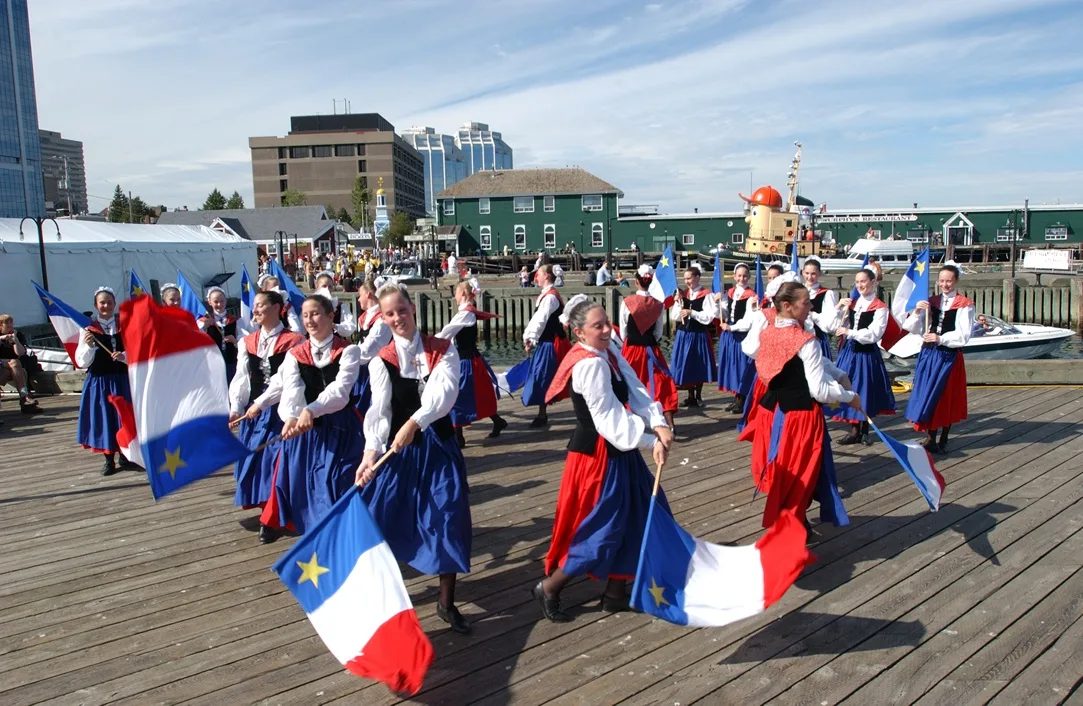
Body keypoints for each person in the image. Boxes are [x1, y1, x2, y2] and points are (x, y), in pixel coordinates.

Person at [533, 295, 672, 622]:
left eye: (607, 322)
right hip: (598, 457)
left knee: (637, 515)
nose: (608, 329)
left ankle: (614, 593)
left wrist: (659, 421)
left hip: (617, 453)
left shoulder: (607, 353)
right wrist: (651, 439)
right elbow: (609, 420)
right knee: (601, 527)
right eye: (598, 326)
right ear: (579, 333)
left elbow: (636, 389)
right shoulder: (589, 364)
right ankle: (550, 587)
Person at [356, 283, 473, 635]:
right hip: (400, 452)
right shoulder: (382, 360)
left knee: (448, 517)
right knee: (383, 520)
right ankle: (385, 603)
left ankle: (446, 601)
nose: (397, 318)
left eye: (401, 311)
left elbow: (443, 395)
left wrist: (414, 422)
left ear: (413, 310)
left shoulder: (443, 349)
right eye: (389, 314)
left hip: (437, 445)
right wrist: (369, 454)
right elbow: (378, 413)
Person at [739, 281, 857, 530]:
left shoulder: (768, 333)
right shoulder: (805, 340)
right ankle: (793, 528)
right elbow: (819, 390)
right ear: (787, 306)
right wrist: (848, 396)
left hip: (776, 413)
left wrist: (836, 372)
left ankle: (794, 522)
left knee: (786, 473)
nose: (811, 306)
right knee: (802, 474)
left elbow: (788, 358)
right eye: (806, 302)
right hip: (802, 417)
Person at [260, 295, 363, 536]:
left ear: (330, 316)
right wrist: (290, 417)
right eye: (305, 315)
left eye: (316, 314)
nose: (310, 320)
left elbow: (340, 390)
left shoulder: (348, 351)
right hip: (307, 430)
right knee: (302, 482)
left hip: (340, 427)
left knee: (337, 481)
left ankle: (342, 535)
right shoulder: (295, 354)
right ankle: (316, 535)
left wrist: (311, 409)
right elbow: (291, 389)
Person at [228, 290, 305, 543]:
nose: (256, 310)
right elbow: (241, 376)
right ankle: (266, 510)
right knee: (256, 464)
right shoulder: (247, 341)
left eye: (261, 305)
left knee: (277, 463)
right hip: (254, 412)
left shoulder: (294, 341)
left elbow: (286, 383)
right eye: (255, 306)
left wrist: (262, 404)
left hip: (282, 411)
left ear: (277, 308)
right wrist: (236, 407)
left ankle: (271, 519)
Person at [904, 263, 973, 453]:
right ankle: (930, 437)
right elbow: (914, 328)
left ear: (956, 281)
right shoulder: (931, 302)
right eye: (942, 280)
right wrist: (917, 311)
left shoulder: (964, 304)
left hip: (947, 356)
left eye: (949, 281)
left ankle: (943, 438)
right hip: (929, 354)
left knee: (945, 396)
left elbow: (964, 335)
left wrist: (940, 338)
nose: (945, 284)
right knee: (928, 394)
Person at [437, 281, 508, 445]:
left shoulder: (466, 314)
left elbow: (448, 332)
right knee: (475, 394)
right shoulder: (466, 312)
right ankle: (497, 421)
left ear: (462, 293)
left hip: (466, 361)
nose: (454, 295)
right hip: (465, 359)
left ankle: (459, 436)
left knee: (458, 395)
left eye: (455, 292)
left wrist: (430, 343)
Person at [832, 268, 896, 445]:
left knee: (865, 390)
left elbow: (874, 334)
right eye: (857, 282)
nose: (860, 285)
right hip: (850, 351)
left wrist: (849, 332)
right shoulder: (852, 303)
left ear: (873, 282)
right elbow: (835, 325)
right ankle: (854, 430)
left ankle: (865, 430)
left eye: (864, 281)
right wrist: (839, 309)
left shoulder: (880, 308)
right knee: (848, 386)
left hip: (865, 353)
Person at [74, 287, 134, 476]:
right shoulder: (88, 330)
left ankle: (125, 455)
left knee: (125, 416)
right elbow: (81, 362)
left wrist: (124, 355)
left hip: (122, 379)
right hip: (100, 381)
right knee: (105, 418)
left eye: (109, 302)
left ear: (114, 304)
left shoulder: (125, 325)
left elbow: (137, 351)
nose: (106, 306)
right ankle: (109, 459)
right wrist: (90, 346)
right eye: (102, 303)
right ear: (96, 306)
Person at [619, 265, 678, 429]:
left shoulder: (627, 302)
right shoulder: (658, 305)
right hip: (651, 350)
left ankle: (629, 420)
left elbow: (624, 331)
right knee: (660, 384)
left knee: (629, 383)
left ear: (636, 281)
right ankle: (668, 420)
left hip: (631, 349)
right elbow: (658, 332)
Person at [521, 264, 572, 427]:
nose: (536, 277)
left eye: (539, 274)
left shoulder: (550, 297)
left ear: (547, 276)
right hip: (547, 342)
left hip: (552, 345)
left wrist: (529, 337)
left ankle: (543, 415)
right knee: (545, 377)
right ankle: (542, 414)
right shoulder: (548, 295)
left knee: (544, 377)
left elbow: (540, 319)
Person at [670, 267, 717, 408]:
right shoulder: (683, 294)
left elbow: (709, 317)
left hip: (698, 334)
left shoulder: (706, 294)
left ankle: (698, 395)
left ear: (697, 277)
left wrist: (692, 312)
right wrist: (677, 303)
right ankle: (690, 396)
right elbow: (674, 317)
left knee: (699, 364)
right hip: (684, 334)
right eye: (685, 279)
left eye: (689, 278)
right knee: (687, 364)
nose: (687, 281)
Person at [716, 262, 757, 412]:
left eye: (745, 275)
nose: (742, 278)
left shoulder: (751, 296)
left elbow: (748, 321)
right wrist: (718, 304)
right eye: (739, 275)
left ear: (749, 277)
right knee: (731, 366)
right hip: (730, 334)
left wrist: (731, 327)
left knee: (741, 367)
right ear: (734, 276)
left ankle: (743, 400)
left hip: (741, 335)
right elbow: (725, 313)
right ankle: (737, 398)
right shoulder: (730, 292)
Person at [0, 314, 41, 413]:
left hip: (10, 367)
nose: (10, 325)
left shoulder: (17, 334)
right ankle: (25, 397)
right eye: (7, 323)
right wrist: (2, 338)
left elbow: (20, 353)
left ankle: (24, 398)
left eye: (11, 322)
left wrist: (15, 341)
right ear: (1, 325)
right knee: (17, 365)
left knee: (18, 366)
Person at [198, 287, 239, 383]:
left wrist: (234, 341)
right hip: (212, 364)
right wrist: (205, 326)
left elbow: (243, 339)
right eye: (216, 302)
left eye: (222, 301)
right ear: (210, 302)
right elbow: (196, 340)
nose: (219, 304)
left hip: (231, 362)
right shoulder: (203, 321)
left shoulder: (235, 320)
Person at [802, 258, 840, 359]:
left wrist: (813, 315)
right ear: (802, 273)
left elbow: (830, 324)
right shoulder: (797, 291)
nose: (810, 277)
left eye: (813, 274)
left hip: (818, 339)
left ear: (819, 273)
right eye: (807, 273)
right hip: (799, 339)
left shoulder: (827, 294)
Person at [313, 270, 357, 338]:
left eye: (330, 286)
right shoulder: (310, 306)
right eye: (324, 286)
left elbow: (351, 326)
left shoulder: (339, 306)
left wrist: (335, 326)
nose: (327, 289)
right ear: (317, 286)